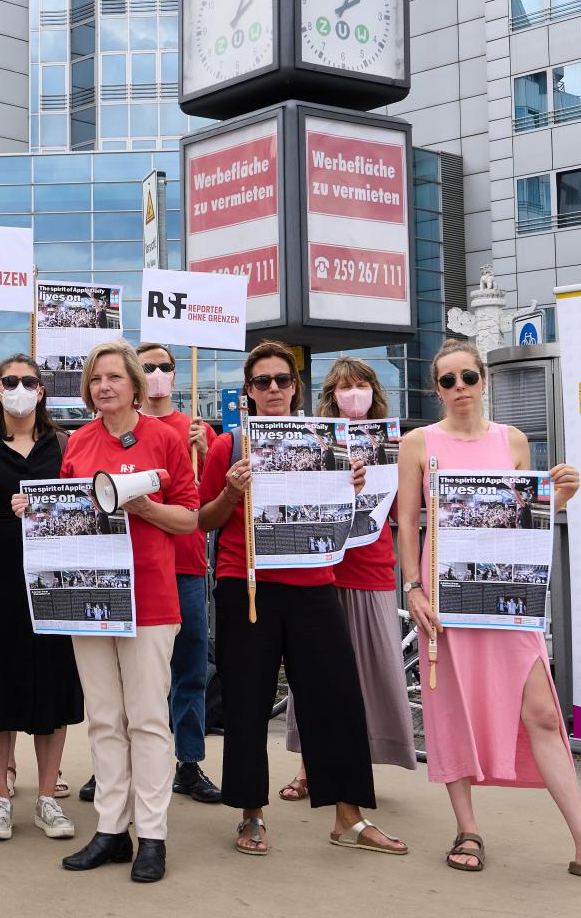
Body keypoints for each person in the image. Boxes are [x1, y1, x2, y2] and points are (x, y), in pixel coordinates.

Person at [398, 341, 581, 887]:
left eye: (467, 375)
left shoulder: (511, 440)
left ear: (483, 379)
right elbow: (406, 522)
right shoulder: (418, 443)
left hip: (506, 598)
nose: (459, 387)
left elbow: (522, 516)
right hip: (446, 598)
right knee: (452, 710)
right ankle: (467, 828)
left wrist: (561, 497)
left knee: (542, 711)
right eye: (447, 380)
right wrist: (415, 588)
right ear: (435, 389)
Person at [197, 340, 401, 860]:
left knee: (336, 699)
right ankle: (250, 813)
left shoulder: (327, 441)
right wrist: (228, 491)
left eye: (281, 381)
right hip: (246, 585)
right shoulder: (230, 444)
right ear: (248, 391)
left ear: (295, 388)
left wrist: (350, 487)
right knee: (246, 702)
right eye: (262, 382)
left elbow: (349, 519)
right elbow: (203, 520)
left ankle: (348, 818)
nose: (272, 389)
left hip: (314, 583)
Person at [26, 341, 197, 885]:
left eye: (114, 378)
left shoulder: (167, 439)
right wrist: (33, 508)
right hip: (91, 597)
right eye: (96, 379)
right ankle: (110, 830)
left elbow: (190, 521)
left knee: (147, 719)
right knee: (104, 718)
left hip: (149, 598)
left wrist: (147, 508)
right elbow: (67, 515)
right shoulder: (77, 442)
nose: (104, 387)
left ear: (134, 384)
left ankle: (152, 836)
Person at [0, 355, 80, 844]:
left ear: (43, 392)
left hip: (51, 580)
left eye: (30, 381)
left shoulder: (65, 446)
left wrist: (47, 510)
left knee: (53, 685)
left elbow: (85, 507)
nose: (21, 388)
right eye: (11, 381)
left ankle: (47, 797)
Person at [277, 358, 418, 805]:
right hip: (322, 570)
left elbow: (403, 515)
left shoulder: (396, 444)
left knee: (374, 676)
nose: (351, 393)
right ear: (330, 395)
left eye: (359, 385)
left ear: (374, 391)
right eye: (342, 387)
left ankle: (358, 771)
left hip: (373, 571)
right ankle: (308, 767)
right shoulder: (315, 440)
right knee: (314, 677)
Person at [138, 342, 222, 805]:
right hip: (138, 569)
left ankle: (188, 762)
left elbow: (211, 501)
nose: (155, 374)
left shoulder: (195, 428)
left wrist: (206, 451)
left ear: (176, 373)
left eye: (164, 367)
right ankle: (121, 762)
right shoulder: (123, 428)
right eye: (147, 366)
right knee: (129, 674)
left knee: (189, 670)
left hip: (186, 565)